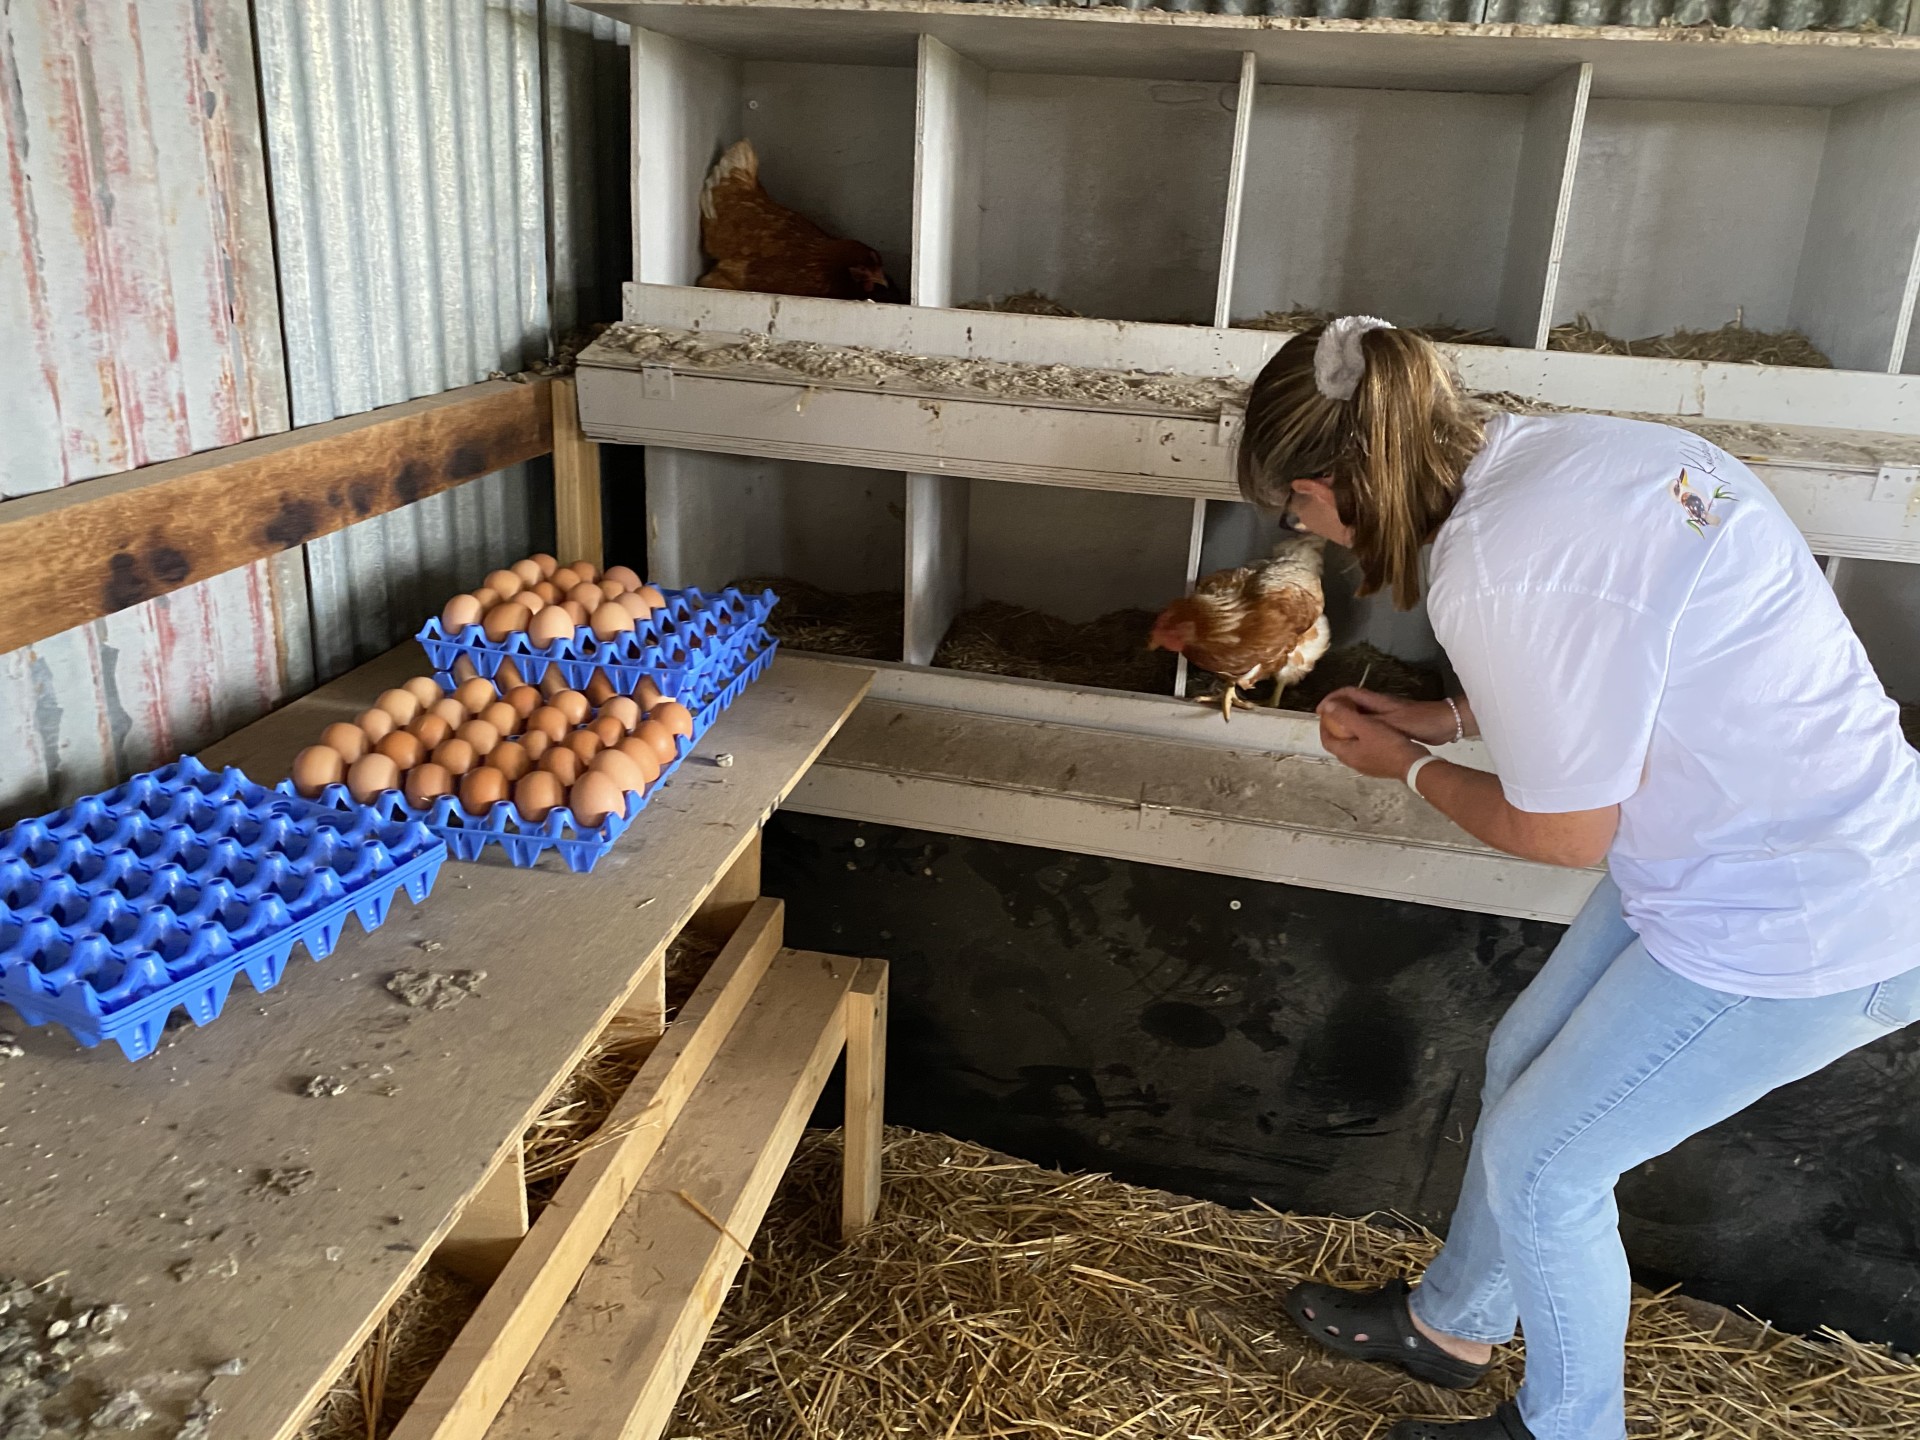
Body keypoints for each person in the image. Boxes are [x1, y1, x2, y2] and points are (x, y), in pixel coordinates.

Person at [1238, 316, 1920, 1440]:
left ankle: (1567, 1428)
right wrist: (1447, 714)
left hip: (1803, 919)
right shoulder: (1565, 454)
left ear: (1334, 484)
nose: (1300, 527)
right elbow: (1610, 658)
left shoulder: (1492, 569)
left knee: (1546, 1167)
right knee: (1524, 1058)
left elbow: (1563, 834)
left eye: (1295, 506)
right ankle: (1455, 1326)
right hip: (1757, 846)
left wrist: (1409, 768)